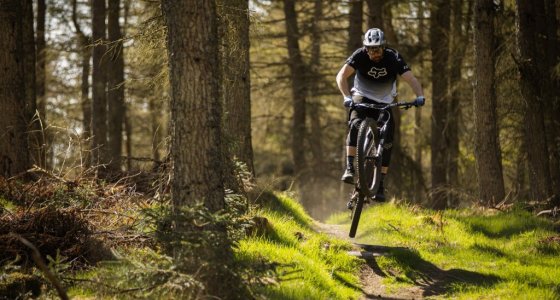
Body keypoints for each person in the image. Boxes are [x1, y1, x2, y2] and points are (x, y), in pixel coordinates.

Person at [336, 28, 425, 201]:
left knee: (388, 139)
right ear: (365, 48)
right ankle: (350, 168)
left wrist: (419, 95)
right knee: (354, 125)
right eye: (370, 49)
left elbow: (411, 79)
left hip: (384, 102)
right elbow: (341, 76)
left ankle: (381, 184)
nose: (374, 53)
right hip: (361, 97)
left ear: (384, 47)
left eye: (377, 49)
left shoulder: (394, 57)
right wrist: (346, 97)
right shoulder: (359, 55)